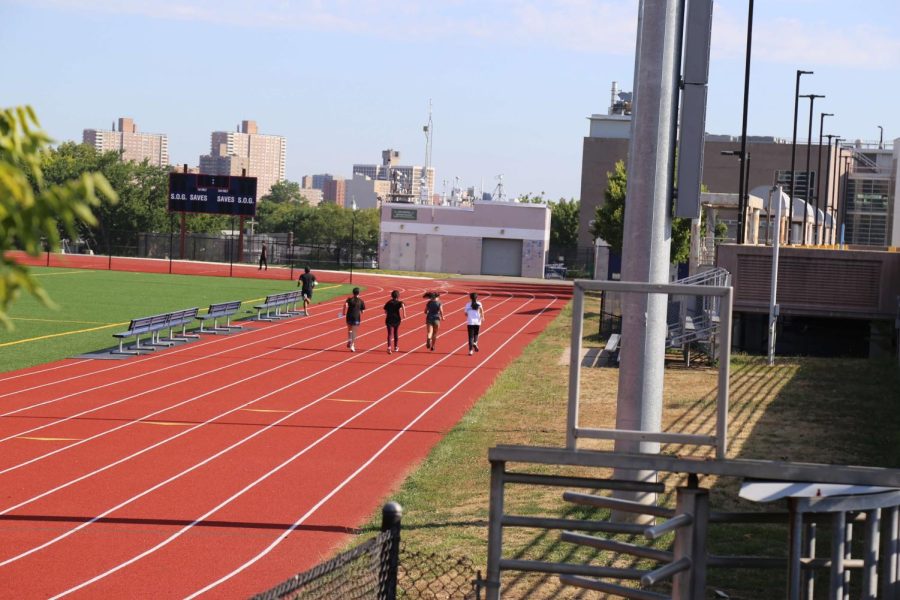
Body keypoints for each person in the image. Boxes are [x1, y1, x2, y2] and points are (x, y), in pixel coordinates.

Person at [341, 287, 365, 352]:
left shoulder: (349, 299)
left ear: (353, 293)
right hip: (356, 317)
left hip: (349, 316)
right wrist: (361, 310)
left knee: (349, 330)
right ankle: (352, 345)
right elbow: (362, 311)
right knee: (354, 332)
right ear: (358, 293)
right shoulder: (361, 301)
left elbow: (345, 305)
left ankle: (349, 340)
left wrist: (343, 313)